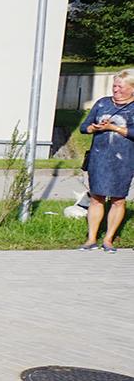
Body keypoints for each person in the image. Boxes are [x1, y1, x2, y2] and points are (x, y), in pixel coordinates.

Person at [77, 69, 134, 252]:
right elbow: (84, 127)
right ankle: (91, 239)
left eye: (121, 87)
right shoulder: (102, 103)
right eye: (114, 86)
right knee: (96, 197)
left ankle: (108, 240)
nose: (116, 90)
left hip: (124, 160)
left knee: (118, 199)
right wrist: (93, 128)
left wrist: (114, 128)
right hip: (99, 157)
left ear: (132, 89)